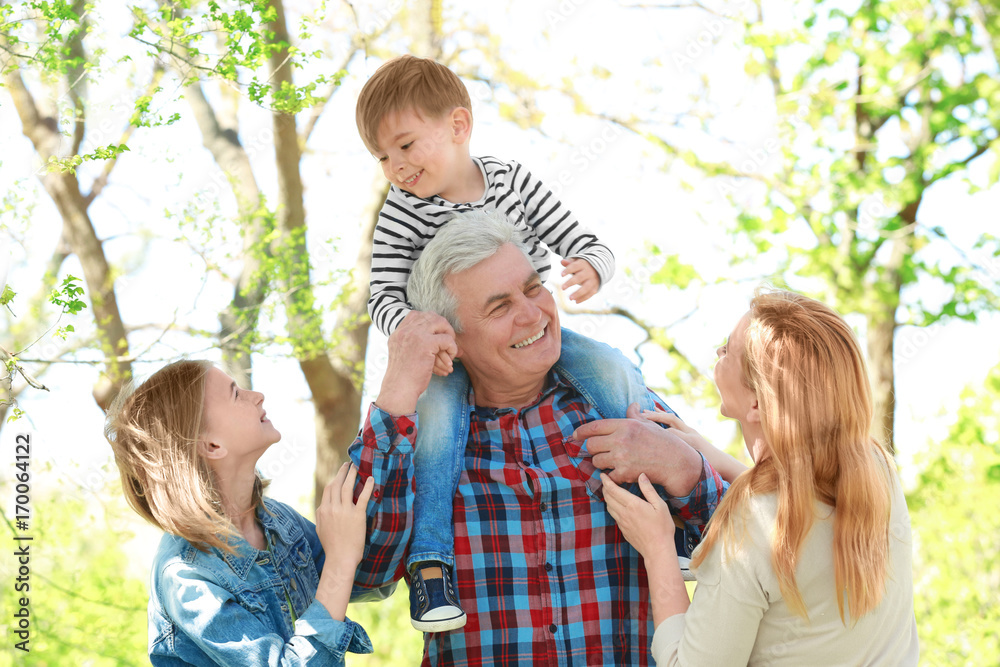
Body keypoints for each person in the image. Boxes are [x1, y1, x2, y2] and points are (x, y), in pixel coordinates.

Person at [347, 211, 727, 665]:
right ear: (452, 338)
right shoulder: (417, 442)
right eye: (499, 306)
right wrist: (393, 396)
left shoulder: (617, 402)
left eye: (532, 288)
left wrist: (684, 470)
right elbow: (365, 573)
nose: (532, 314)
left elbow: (751, 547)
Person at [354, 54, 639, 633]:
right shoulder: (403, 212)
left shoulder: (513, 181)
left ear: (458, 126)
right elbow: (381, 293)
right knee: (436, 426)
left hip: (534, 335)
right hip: (450, 352)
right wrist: (414, 331)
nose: (395, 166)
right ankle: (431, 564)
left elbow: (582, 238)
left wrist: (593, 267)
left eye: (405, 145)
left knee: (612, 368)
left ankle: (651, 496)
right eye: (383, 156)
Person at [596, 290, 920, 665]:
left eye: (728, 351)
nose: (718, 352)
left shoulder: (749, 529)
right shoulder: (875, 469)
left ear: (756, 404)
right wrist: (709, 455)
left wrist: (657, 547)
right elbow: (799, 491)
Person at [105, 360, 375, 666]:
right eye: (236, 394)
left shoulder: (280, 522)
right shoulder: (187, 576)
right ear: (211, 444)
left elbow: (369, 578)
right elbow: (341, 570)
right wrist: (340, 560)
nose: (257, 395)